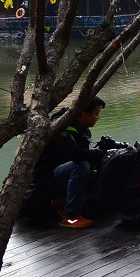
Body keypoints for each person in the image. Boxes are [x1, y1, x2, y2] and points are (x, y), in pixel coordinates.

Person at [31, 96, 107, 228]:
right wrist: (105, 153)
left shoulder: (81, 129)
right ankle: (71, 216)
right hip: (46, 177)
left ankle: (60, 202)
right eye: (96, 114)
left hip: (60, 172)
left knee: (92, 167)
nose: (98, 118)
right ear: (84, 114)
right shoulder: (61, 127)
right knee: (81, 166)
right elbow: (74, 154)